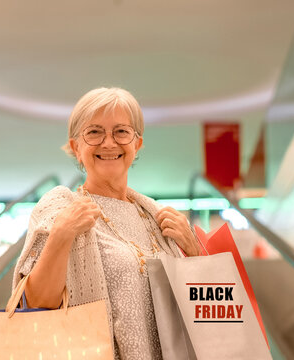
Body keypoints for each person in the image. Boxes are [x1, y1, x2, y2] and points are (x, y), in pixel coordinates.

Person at [13, 87, 202, 359]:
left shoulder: (157, 217)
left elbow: (202, 307)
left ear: (136, 144)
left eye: (121, 131)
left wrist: (193, 252)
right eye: (94, 132)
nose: (109, 143)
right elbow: (35, 304)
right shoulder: (61, 208)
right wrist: (61, 235)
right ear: (76, 147)